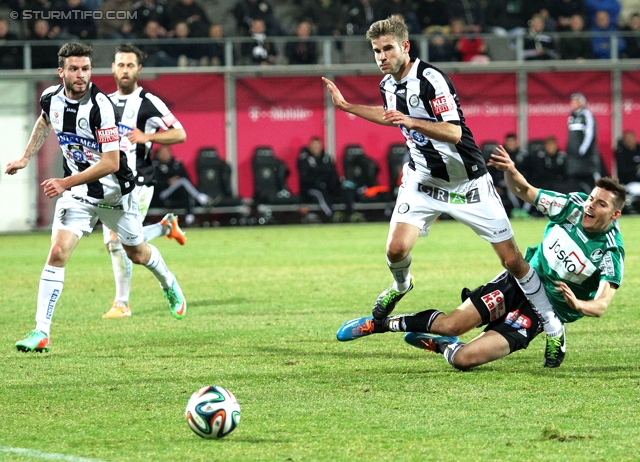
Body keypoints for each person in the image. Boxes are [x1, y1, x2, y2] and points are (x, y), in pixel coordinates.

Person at [322, 16, 565, 366]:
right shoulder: (387, 85)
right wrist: (348, 108)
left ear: (405, 46)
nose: (381, 57)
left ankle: (554, 328)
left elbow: (453, 132)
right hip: (423, 181)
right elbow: (390, 115)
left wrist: (412, 121)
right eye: (376, 51)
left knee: (512, 260)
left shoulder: (432, 80)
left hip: (467, 183)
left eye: (387, 48)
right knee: (394, 250)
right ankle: (402, 286)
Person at [337, 147, 625, 370]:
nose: (590, 206)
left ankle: (443, 347)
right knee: (452, 324)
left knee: (464, 360)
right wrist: (511, 170)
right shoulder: (572, 206)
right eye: (591, 198)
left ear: (615, 215)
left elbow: (601, 305)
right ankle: (377, 324)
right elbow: (526, 191)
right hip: (521, 282)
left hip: (542, 311)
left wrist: (578, 304)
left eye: (600, 204)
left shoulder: (610, 252)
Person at [5, 42, 187, 353]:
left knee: (137, 253)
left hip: (116, 192)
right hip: (78, 194)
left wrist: (65, 182)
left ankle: (168, 281)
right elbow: (46, 121)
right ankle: (41, 331)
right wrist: (25, 157)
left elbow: (111, 163)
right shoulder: (51, 97)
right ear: (61, 71)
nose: (81, 75)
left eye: (86, 69)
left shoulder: (101, 106)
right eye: (74, 69)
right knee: (57, 253)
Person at [101, 43, 188, 319]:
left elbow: (180, 134)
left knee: (118, 240)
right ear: (113, 68)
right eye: (120, 64)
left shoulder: (149, 101)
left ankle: (122, 303)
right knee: (121, 242)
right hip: (110, 182)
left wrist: (148, 137)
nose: (125, 70)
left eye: (130, 65)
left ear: (139, 69)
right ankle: (164, 227)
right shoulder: (104, 102)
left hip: (139, 180)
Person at [297, 136, 357, 222]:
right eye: (314, 146)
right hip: (311, 188)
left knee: (346, 188)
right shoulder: (304, 159)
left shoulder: (327, 158)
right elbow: (305, 177)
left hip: (328, 185)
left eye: (318, 146)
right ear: (310, 147)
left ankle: (351, 214)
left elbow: (333, 173)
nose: (316, 148)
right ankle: (332, 215)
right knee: (320, 193)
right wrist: (321, 176)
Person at [152, 145, 214, 224]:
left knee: (184, 186)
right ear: (158, 154)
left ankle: (190, 217)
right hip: (162, 194)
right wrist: (168, 182)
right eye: (162, 153)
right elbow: (154, 183)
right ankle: (201, 198)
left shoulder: (177, 164)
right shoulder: (154, 166)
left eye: (167, 152)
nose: (165, 155)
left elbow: (187, 179)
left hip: (178, 193)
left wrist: (176, 181)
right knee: (182, 181)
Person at [566, 92, 600, 194]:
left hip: (586, 160)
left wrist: (582, 151)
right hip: (573, 160)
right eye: (572, 101)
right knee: (574, 185)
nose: (573, 104)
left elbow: (589, 135)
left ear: (582, 103)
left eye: (575, 101)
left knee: (590, 184)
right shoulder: (571, 117)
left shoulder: (587, 115)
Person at [614, 129, 640, 211]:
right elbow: (623, 170)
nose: (629, 141)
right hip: (628, 182)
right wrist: (636, 168)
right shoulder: (621, 152)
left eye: (631, 138)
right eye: (627, 139)